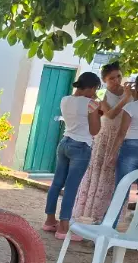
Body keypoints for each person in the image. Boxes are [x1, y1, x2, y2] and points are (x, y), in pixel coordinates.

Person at [43, 72, 101, 240]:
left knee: (56, 183)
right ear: (90, 87)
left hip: (65, 142)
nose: (95, 93)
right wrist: (97, 111)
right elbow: (94, 130)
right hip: (81, 146)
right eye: (95, 89)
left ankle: (49, 221)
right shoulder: (91, 104)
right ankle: (63, 228)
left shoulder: (65, 99)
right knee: (71, 187)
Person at [73, 62, 133, 223]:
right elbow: (110, 114)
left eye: (118, 76)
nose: (116, 80)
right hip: (105, 137)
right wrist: (126, 98)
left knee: (115, 176)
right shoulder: (102, 95)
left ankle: (110, 216)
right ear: (105, 80)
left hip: (123, 137)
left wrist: (130, 95)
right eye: (111, 78)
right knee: (99, 172)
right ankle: (92, 213)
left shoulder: (130, 92)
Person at [108, 80, 138, 226]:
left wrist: (112, 153)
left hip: (130, 147)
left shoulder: (131, 107)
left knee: (121, 190)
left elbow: (121, 133)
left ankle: (109, 227)